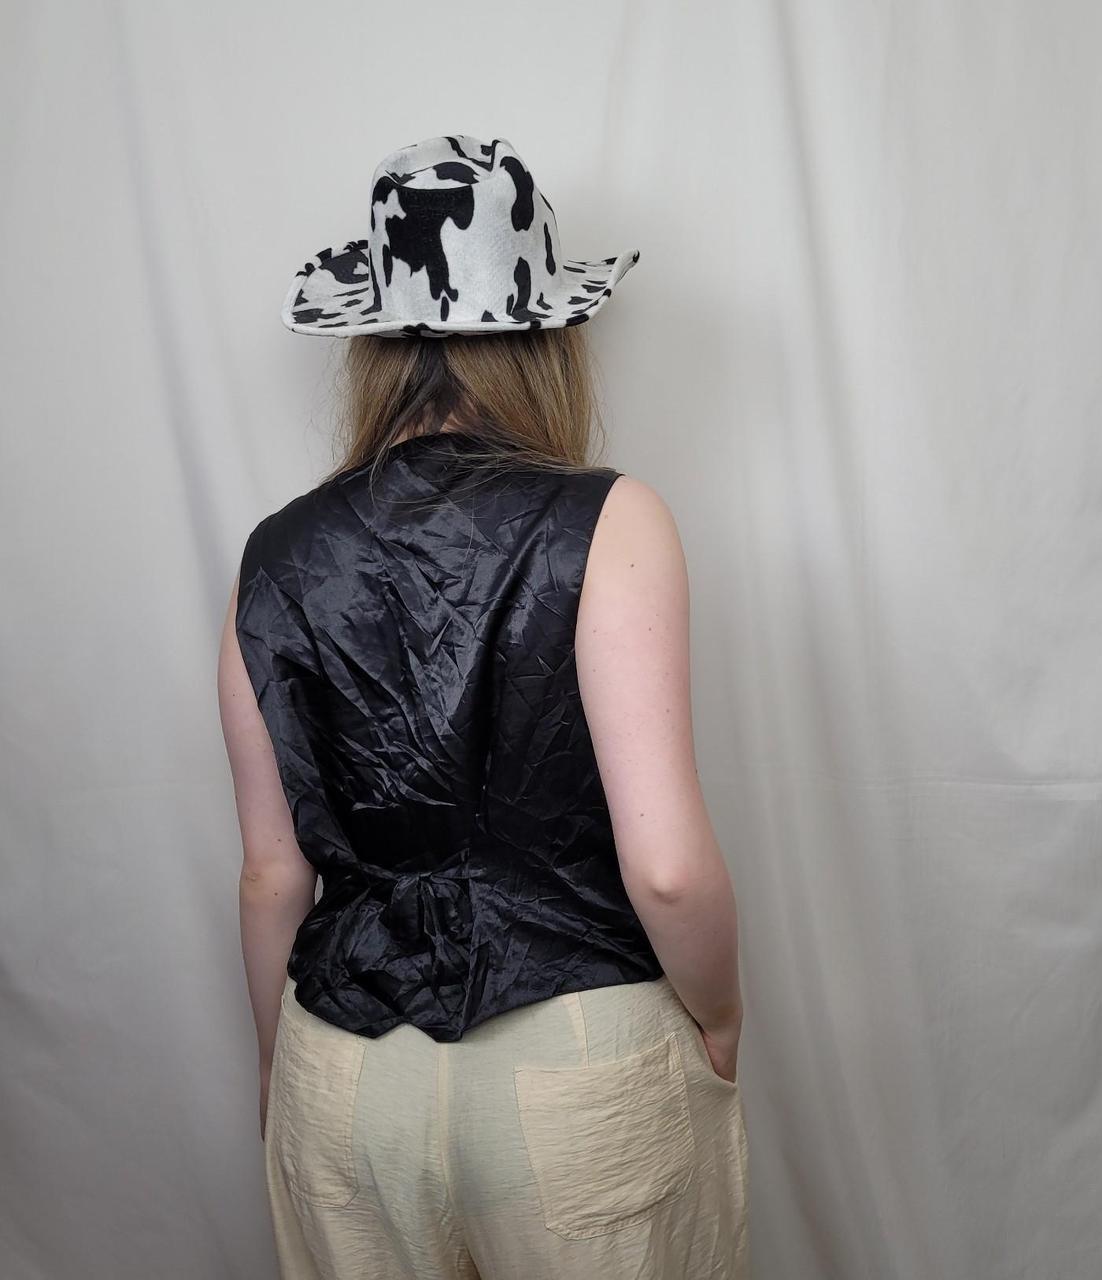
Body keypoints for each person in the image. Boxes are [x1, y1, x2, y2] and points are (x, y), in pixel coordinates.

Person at [216, 134, 750, 1279]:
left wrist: (277, 1062)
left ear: (370, 343)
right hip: (573, 1063)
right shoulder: (611, 520)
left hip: (343, 1072)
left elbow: (269, 875)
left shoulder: (275, 554)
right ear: (548, 338)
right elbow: (665, 869)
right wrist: (718, 1014)